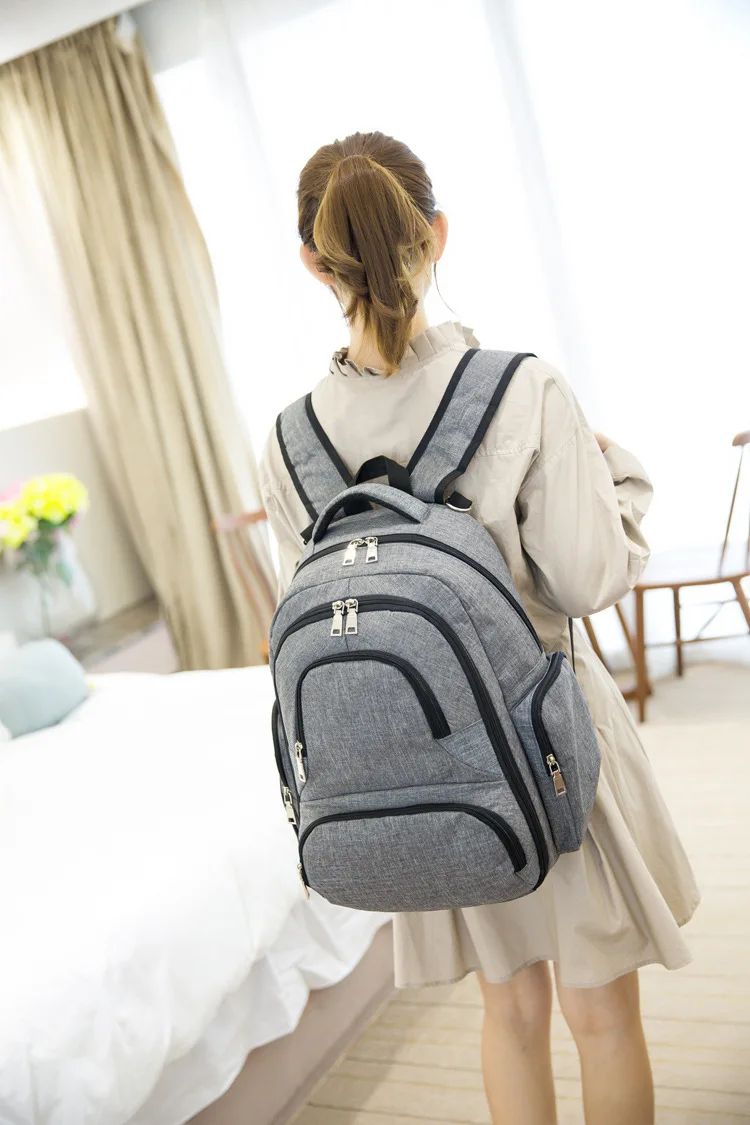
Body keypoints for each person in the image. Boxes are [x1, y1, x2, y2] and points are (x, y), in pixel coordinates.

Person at [258, 131, 699, 1125]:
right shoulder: (522, 388)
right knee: (602, 1019)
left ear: (314, 264)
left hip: (430, 768)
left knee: (509, 1013)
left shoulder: (288, 442)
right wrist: (620, 484)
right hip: (553, 750)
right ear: (436, 234)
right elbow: (588, 579)